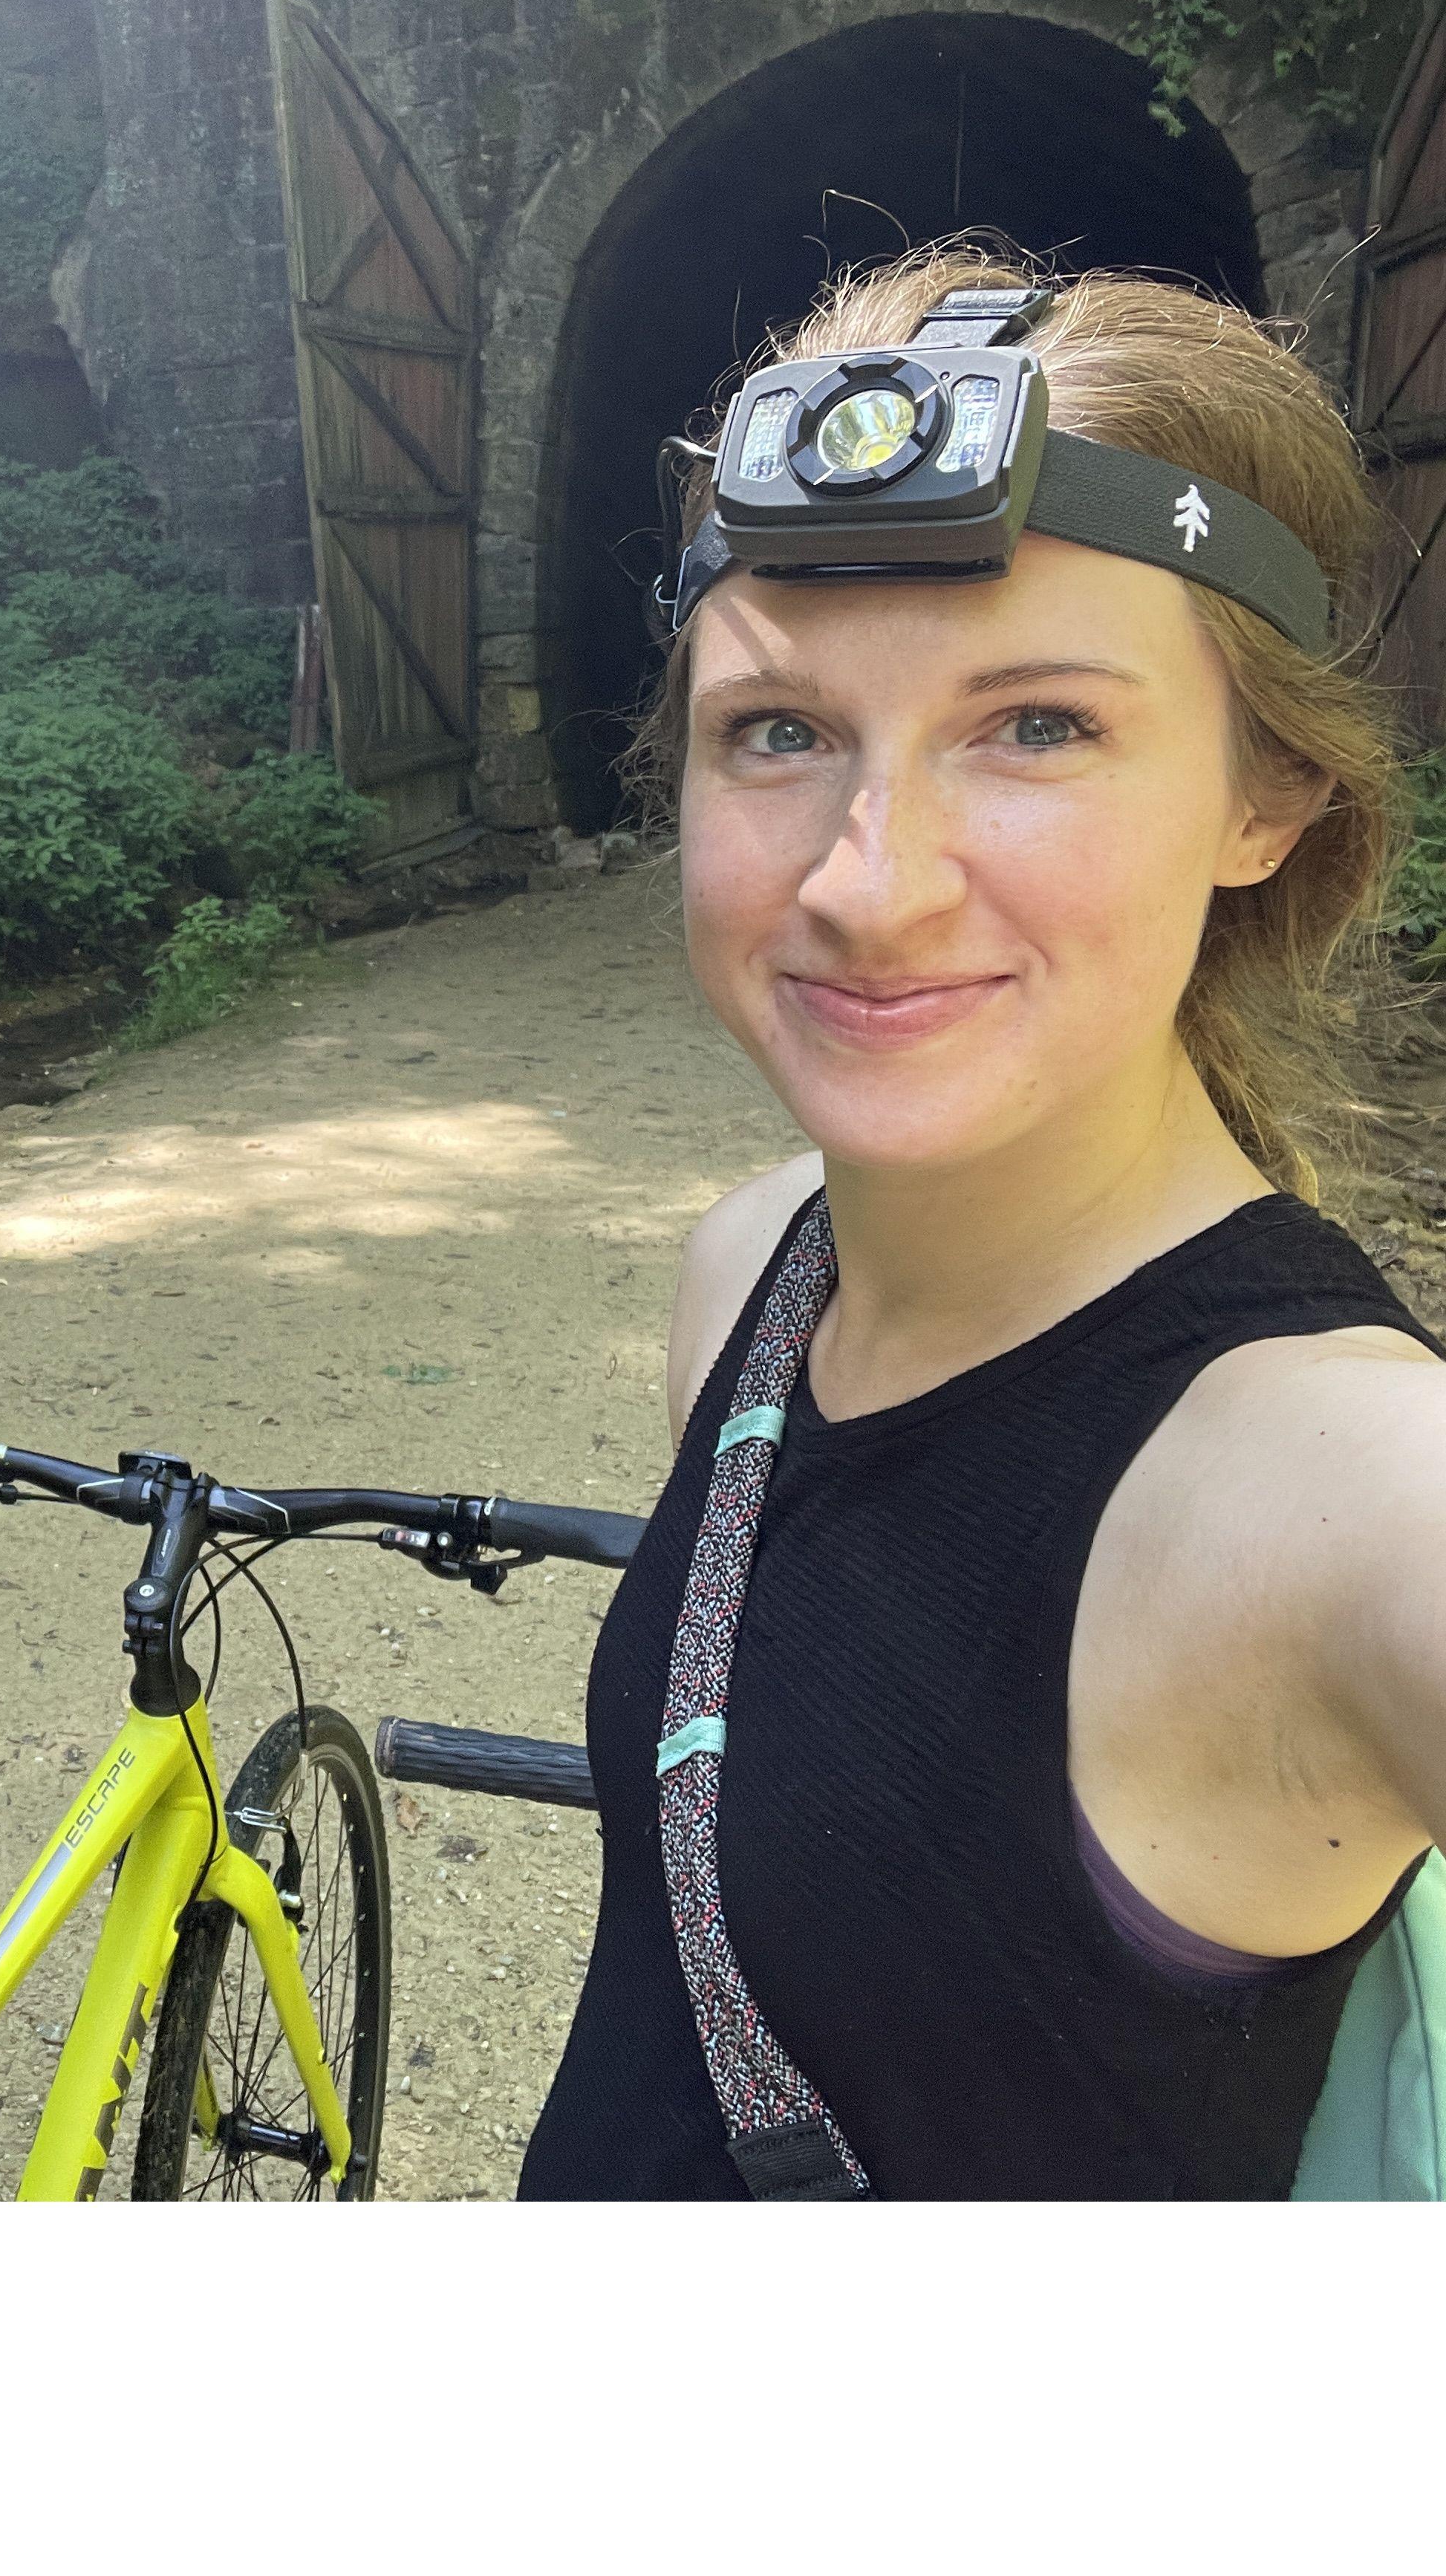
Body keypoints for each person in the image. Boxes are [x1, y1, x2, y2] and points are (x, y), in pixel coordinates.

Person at [521, 250, 1446, 2200]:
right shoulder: (751, 1276)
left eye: (1034, 727)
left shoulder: (1355, 1491)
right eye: (778, 731)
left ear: (1265, 795)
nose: (874, 883)